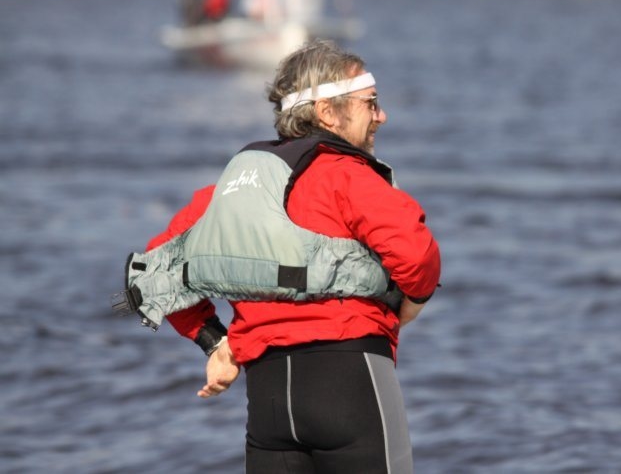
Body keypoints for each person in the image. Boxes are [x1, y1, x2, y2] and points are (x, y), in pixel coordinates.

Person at [144, 40, 441, 473]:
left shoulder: (235, 190)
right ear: (327, 112)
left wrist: (215, 342)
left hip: (269, 405)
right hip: (350, 382)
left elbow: (157, 268)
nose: (382, 116)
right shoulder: (346, 174)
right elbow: (417, 255)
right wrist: (413, 302)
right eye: (370, 103)